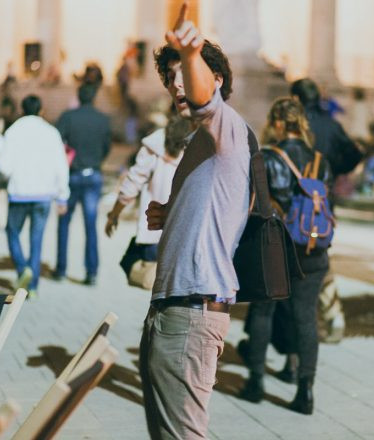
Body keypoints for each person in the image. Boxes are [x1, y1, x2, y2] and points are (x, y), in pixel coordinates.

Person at [141, 2, 251, 438]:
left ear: (216, 79)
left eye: (183, 76)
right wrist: (173, 214)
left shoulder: (223, 123)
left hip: (191, 311)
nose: (177, 86)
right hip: (175, 309)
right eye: (170, 79)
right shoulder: (204, 142)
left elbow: (204, 100)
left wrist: (190, 53)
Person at [238, 98, 332, 414]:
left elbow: (254, 205)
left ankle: (255, 383)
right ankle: (305, 391)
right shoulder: (320, 161)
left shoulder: (266, 157)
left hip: (276, 248)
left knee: (263, 311)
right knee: (306, 317)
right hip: (313, 249)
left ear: (278, 123)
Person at [290, 78, 363, 343]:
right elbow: (355, 153)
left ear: (296, 99)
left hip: (294, 203)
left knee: (294, 261)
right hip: (322, 202)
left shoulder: (294, 125)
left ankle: (310, 320)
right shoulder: (332, 125)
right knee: (318, 257)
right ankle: (332, 315)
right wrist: (335, 170)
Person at [0, 95, 69, 298]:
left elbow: (3, 167)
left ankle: (22, 268)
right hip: (44, 195)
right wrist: (62, 196)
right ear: (41, 110)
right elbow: (61, 167)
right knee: (36, 240)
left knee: (12, 231)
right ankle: (33, 286)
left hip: (19, 192)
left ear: (21, 109)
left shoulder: (13, 131)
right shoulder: (51, 132)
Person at [105, 115, 190, 268]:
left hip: (154, 233)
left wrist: (114, 215)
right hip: (187, 236)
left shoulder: (155, 144)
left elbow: (131, 185)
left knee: (155, 286)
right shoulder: (202, 146)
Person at [52, 84, 111, 285]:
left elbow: (57, 141)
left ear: (79, 96)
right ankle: (91, 272)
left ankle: (60, 268)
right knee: (91, 225)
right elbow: (106, 147)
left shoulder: (68, 116)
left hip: (73, 174)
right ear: (94, 97)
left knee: (63, 223)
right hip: (93, 174)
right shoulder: (103, 120)